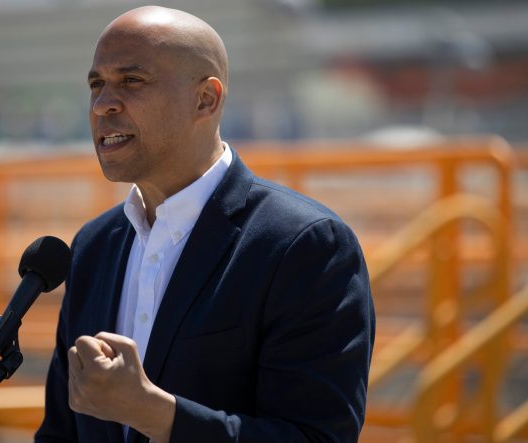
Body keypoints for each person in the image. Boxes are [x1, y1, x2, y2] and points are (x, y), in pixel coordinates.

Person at [35, 6, 375, 443]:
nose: (103, 105)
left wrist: (155, 413)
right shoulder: (94, 246)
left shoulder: (305, 246)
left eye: (131, 81)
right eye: (96, 84)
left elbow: (316, 437)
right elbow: (61, 433)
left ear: (206, 100)